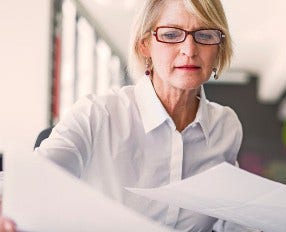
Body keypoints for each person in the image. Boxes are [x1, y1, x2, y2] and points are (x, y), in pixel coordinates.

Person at [0, 0, 255, 231]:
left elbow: (226, 215)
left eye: (205, 34)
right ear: (145, 45)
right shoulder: (97, 116)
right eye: (171, 34)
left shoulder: (226, 127)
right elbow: (29, 184)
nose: (189, 49)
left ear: (219, 46)